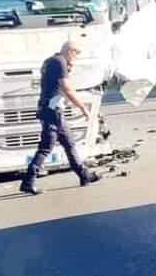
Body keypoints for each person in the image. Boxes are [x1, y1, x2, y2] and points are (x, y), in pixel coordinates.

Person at [20, 40, 100, 195]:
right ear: (70, 51)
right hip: (52, 111)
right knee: (46, 146)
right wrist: (83, 107)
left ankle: (84, 175)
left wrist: (67, 100)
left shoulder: (51, 61)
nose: (75, 59)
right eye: (76, 54)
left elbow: (55, 87)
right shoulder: (59, 62)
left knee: (69, 143)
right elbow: (67, 88)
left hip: (51, 108)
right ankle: (28, 181)